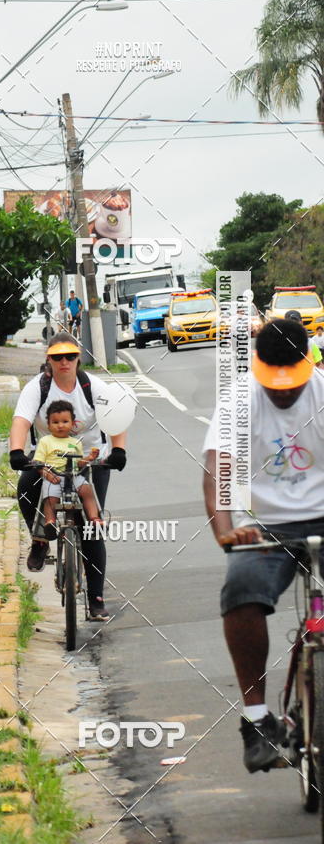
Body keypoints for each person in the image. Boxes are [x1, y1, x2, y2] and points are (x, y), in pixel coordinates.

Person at [203, 318, 324, 773]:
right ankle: (257, 720)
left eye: (291, 384)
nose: (282, 393)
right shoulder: (239, 400)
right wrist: (226, 531)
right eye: (273, 384)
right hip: (267, 528)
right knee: (241, 590)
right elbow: (218, 468)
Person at [9, 331, 128, 621]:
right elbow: (21, 421)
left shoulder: (92, 386)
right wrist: (17, 451)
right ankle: (40, 540)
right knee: (26, 487)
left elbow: (116, 417)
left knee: (91, 527)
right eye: (57, 357)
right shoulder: (38, 387)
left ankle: (96, 598)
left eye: (70, 356)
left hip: (90, 459)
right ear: (48, 360)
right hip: (48, 459)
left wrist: (118, 451)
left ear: (78, 358)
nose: (64, 362)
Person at [34, 400, 102, 539]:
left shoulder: (75, 442)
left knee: (87, 490)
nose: (60, 425)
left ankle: (94, 518)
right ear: (48, 424)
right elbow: (39, 462)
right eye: (55, 422)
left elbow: (79, 463)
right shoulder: (45, 441)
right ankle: (50, 522)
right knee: (50, 497)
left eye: (65, 421)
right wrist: (45, 473)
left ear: (72, 423)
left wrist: (89, 458)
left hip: (73, 475)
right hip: (54, 476)